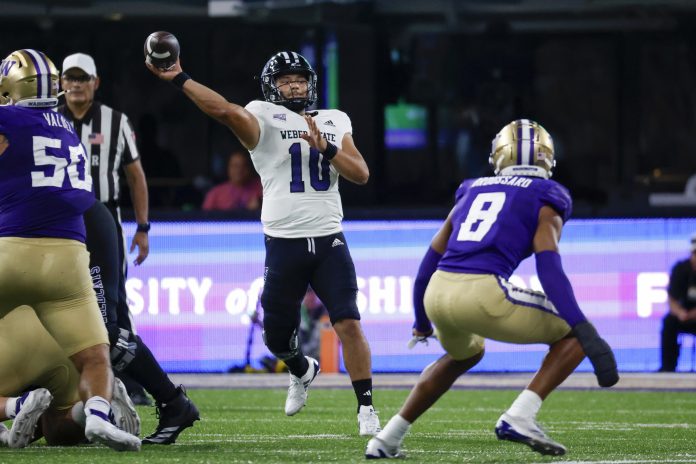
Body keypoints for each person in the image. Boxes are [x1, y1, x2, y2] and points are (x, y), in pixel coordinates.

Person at [147, 50, 381, 436]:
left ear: (312, 83)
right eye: (285, 80)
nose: (294, 85)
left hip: (329, 240)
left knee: (349, 322)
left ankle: (367, 409)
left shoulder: (334, 120)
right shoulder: (263, 116)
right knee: (275, 335)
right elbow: (223, 110)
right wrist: (179, 77)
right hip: (283, 242)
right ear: (271, 87)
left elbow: (361, 174)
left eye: (300, 79)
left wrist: (328, 147)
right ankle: (301, 368)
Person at [366, 119, 619, 458]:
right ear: (547, 157)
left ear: (498, 155)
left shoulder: (472, 189)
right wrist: (585, 328)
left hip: (438, 293)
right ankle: (520, 415)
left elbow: (428, 262)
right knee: (572, 334)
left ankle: (387, 439)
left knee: (464, 354)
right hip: (482, 292)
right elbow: (549, 269)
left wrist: (422, 319)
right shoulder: (548, 196)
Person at [0, 48, 140, 451]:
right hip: (69, 259)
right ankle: (96, 411)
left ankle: (13, 406)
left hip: (13, 250)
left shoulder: (9, 118)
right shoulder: (64, 125)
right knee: (96, 358)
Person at [58, 54, 200, 444]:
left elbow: (135, 175)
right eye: (68, 79)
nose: (74, 86)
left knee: (108, 324)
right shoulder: (45, 119)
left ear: (95, 82)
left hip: (94, 218)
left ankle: (163, 398)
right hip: (52, 231)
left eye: (81, 79)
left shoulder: (113, 122)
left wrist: (142, 227)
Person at [0, 307, 140, 447]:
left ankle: (17, 406)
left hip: (11, 344)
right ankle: (93, 410)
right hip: (65, 340)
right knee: (56, 433)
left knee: (27, 405)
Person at [659, 234, 696, 372]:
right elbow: (672, 298)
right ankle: (668, 368)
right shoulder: (681, 269)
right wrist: (680, 313)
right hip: (684, 316)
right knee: (669, 322)